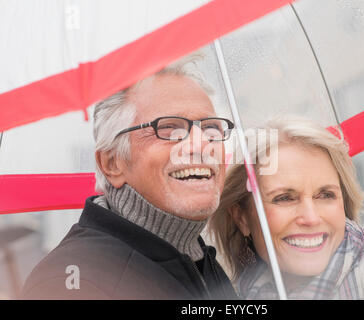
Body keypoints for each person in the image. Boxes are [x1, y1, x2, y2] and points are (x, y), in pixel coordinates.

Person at [21, 55, 238, 299]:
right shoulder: (70, 283)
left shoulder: (200, 258)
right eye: (169, 127)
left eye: (210, 127)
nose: (202, 144)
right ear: (112, 163)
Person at [208, 116, 364, 299]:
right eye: (285, 198)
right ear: (242, 218)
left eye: (326, 195)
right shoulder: (238, 292)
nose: (311, 218)